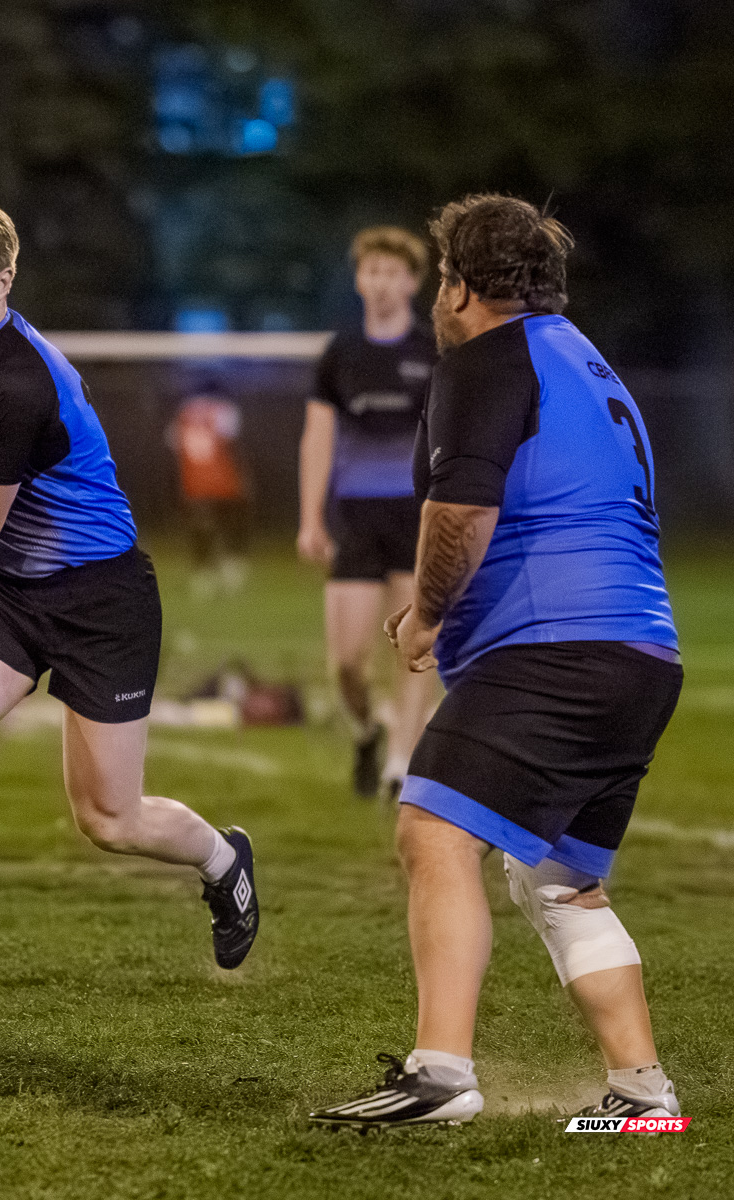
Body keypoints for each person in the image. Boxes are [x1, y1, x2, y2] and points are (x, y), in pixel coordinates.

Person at [311, 195, 683, 1128]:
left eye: (442, 276)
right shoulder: (584, 359)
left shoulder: (486, 358)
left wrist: (428, 617)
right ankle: (642, 1094)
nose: (439, 295)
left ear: (466, 286)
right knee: (559, 877)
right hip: (640, 656)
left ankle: (440, 1075)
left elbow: (462, 512)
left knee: (433, 833)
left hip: (557, 649)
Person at [0, 182, 258, 1006]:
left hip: (98, 601)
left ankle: (223, 860)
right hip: (9, 591)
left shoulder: (17, 384)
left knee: (109, 820)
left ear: (4, 280)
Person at [298, 228, 441, 799]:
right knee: (348, 663)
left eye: (392, 272)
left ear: (412, 282)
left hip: (417, 516)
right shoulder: (341, 354)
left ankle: (401, 764)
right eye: (371, 271)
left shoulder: (433, 353)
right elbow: (317, 438)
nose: (380, 282)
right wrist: (310, 517)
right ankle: (365, 732)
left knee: (415, 647)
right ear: (360, 280)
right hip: (355, 518)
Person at [165, 379, 250, 597]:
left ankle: (204, 574)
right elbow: (232, 438)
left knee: (200, 530)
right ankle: (229, 569)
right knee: (228, 526)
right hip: (224, 481)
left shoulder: (184, 412)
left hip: (194, 483)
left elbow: (173, 442)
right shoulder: (223, 410)